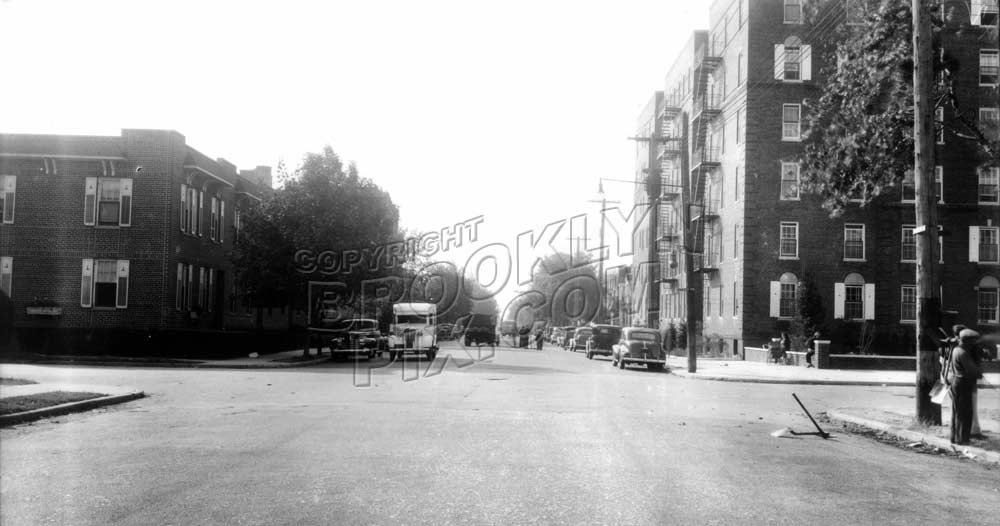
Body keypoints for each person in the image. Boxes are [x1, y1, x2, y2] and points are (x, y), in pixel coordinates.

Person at [945, 329, 983, 445]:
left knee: (957, 412)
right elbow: (974, 372)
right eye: (973, 342)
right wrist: (979, 365)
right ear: (968, 342)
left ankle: (955, 438)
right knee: (965, 413)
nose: (974, 344)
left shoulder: (956, 349)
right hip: (963, 384)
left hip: (957, 382)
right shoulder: (963, 353)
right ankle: (962, 440)